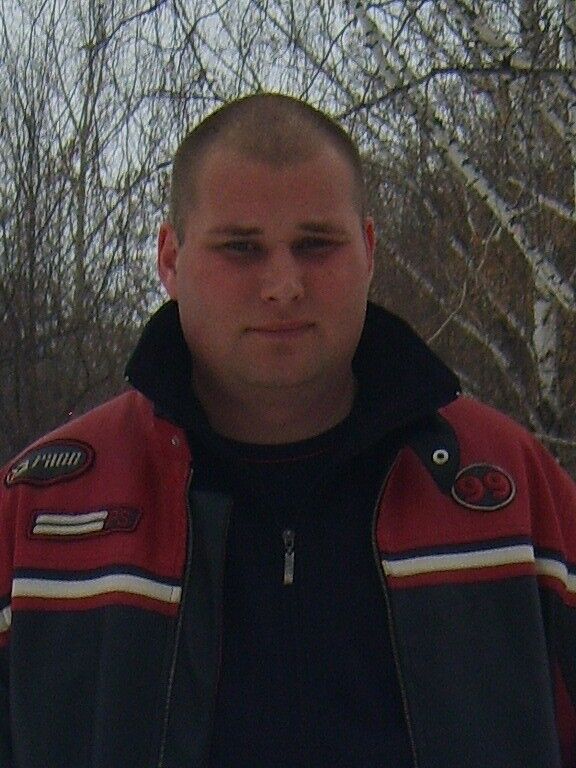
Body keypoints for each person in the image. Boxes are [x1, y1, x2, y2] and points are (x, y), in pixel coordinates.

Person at [1, 93, 575, 768]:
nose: (283, 285)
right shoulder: (43, 513)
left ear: (368, 251)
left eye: (316, 244)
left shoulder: (508, 491)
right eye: (241, 248)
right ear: (170, 259)